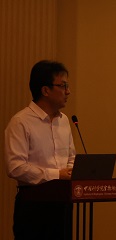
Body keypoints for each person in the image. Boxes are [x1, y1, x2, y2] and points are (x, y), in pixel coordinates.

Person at [4, 60, 76, 240]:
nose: (68, 91)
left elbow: (71, 157)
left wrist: (72, 171)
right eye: (63, 85)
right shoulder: (21, 122)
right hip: (34, 207)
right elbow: (15, 167)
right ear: (45, 90)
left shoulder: (64, 120)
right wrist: (57, 174)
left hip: (63, 203)